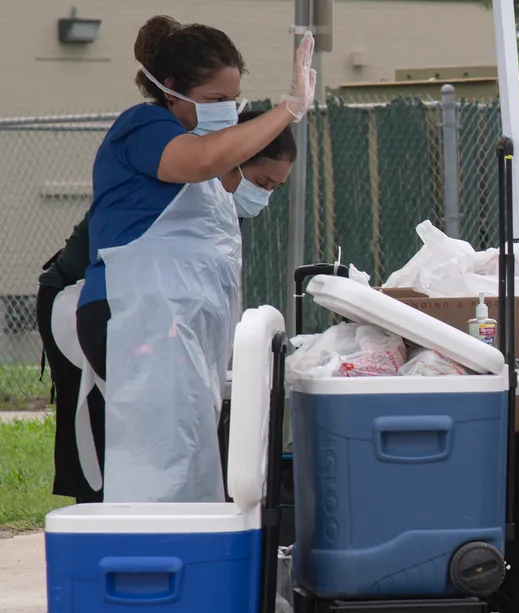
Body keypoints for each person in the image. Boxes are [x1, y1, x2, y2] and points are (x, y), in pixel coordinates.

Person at [73, 15, 316, 503]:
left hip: (177, 331)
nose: (227, 112)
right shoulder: (145, 128)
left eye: (233, 100)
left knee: (188, 459)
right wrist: (289, 108)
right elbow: (201, 159)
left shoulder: (210, 174)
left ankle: (187, 561)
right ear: (172, 89)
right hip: (136, 322)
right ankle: (145, 561)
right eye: (213, 102)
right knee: (157, 464)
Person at [36, 111, 297, 503]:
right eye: (261, 182)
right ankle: (99, 523)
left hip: (144, 314)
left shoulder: (219, 205)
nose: (264, 195)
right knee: (108, 428)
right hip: (87, 304)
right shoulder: (181, 180)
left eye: (275, 188)